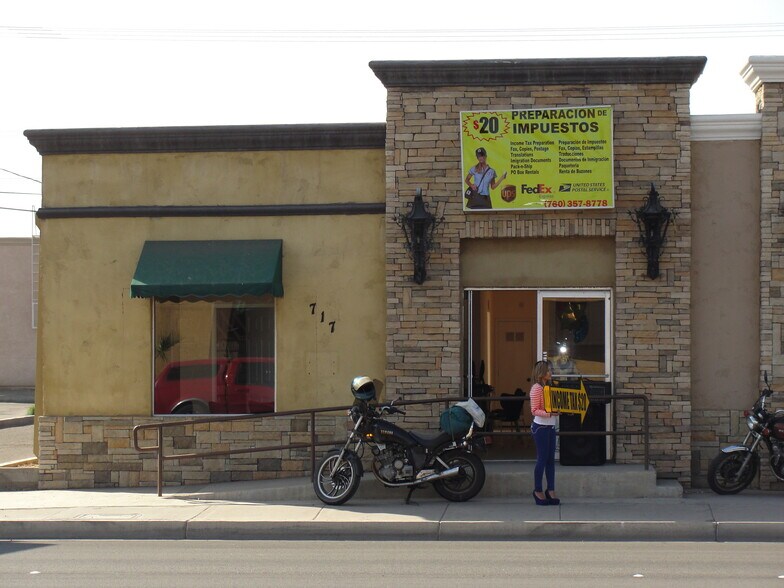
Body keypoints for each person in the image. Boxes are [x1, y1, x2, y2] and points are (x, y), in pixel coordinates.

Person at [529, 360, 560, 506]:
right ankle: (538, 490)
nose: (550, 372)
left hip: (550, 426)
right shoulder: (537, 388)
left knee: (550, 460)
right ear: (541, 373)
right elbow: (534, 410)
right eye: (548, 370)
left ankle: (550, 489)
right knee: (542, 459)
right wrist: (550, 413)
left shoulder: (547, 387)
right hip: (540, 427)